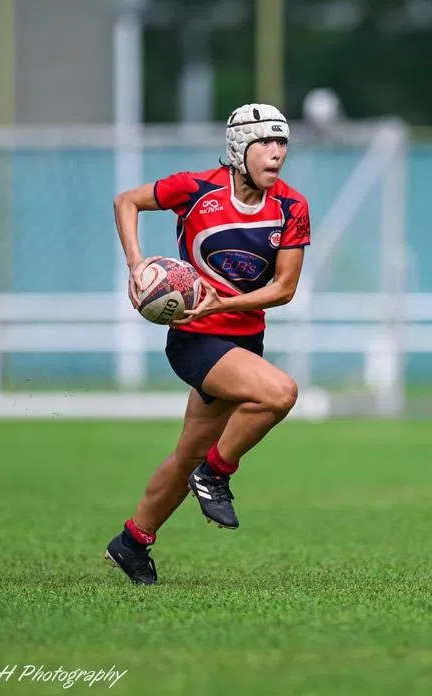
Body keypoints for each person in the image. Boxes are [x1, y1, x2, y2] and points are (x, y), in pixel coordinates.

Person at [104, 103, 311, 585]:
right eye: (266, 142)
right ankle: (218, 473)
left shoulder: (291, 206)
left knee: (186, 457)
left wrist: (220, 305)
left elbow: (284, 289)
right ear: (240, 147)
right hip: (194, 341)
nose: (277, 153)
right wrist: (136, 266)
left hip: (241, 341)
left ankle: (132, 542)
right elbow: (125, 202)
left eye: (282, 143)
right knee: (280, 393)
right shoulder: (196, 189)